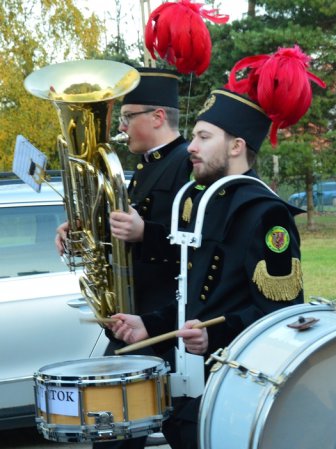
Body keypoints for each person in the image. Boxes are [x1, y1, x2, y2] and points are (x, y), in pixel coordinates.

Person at [107, 46, 325, 449]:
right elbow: (194, 298)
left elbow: (280, 315)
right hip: (192, 386)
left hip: (233, 387)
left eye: (204, 138)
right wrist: (150, 325)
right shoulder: (199, 201)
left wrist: (217, 337)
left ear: (237, 146)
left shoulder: (266, 215)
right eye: (193, 136)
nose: (191, 146)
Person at [55, 67, 192, 449]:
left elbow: (198, 244)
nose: (121, 127)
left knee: (159, 429)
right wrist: (79, 229)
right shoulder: (144, 168)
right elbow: (119, 231)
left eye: (128, 117)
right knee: (115, 430)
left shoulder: (185, 163)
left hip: (162, 322)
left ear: (158, 117)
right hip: (133, 316)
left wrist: (144, 232)